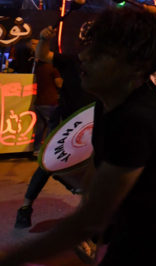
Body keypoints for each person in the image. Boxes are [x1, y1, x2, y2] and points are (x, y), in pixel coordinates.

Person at [1, 8, 156, 265]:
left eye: (100, 53)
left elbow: (89, 221)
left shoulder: (140, 118)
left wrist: (12, 258)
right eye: (89, 47)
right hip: (132, 230)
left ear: (136, 66)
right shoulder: (107, 104)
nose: (85, 57)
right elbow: (96, 178)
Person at [14, 26, 95, 230]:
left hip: (91, 123)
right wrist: (43, 39)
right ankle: (25, 208)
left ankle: (87, 215)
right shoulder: (71, 61)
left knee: (95, 168)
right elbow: (43, 54)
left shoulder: (108, 66)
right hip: (64, 120)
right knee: (47, 163)